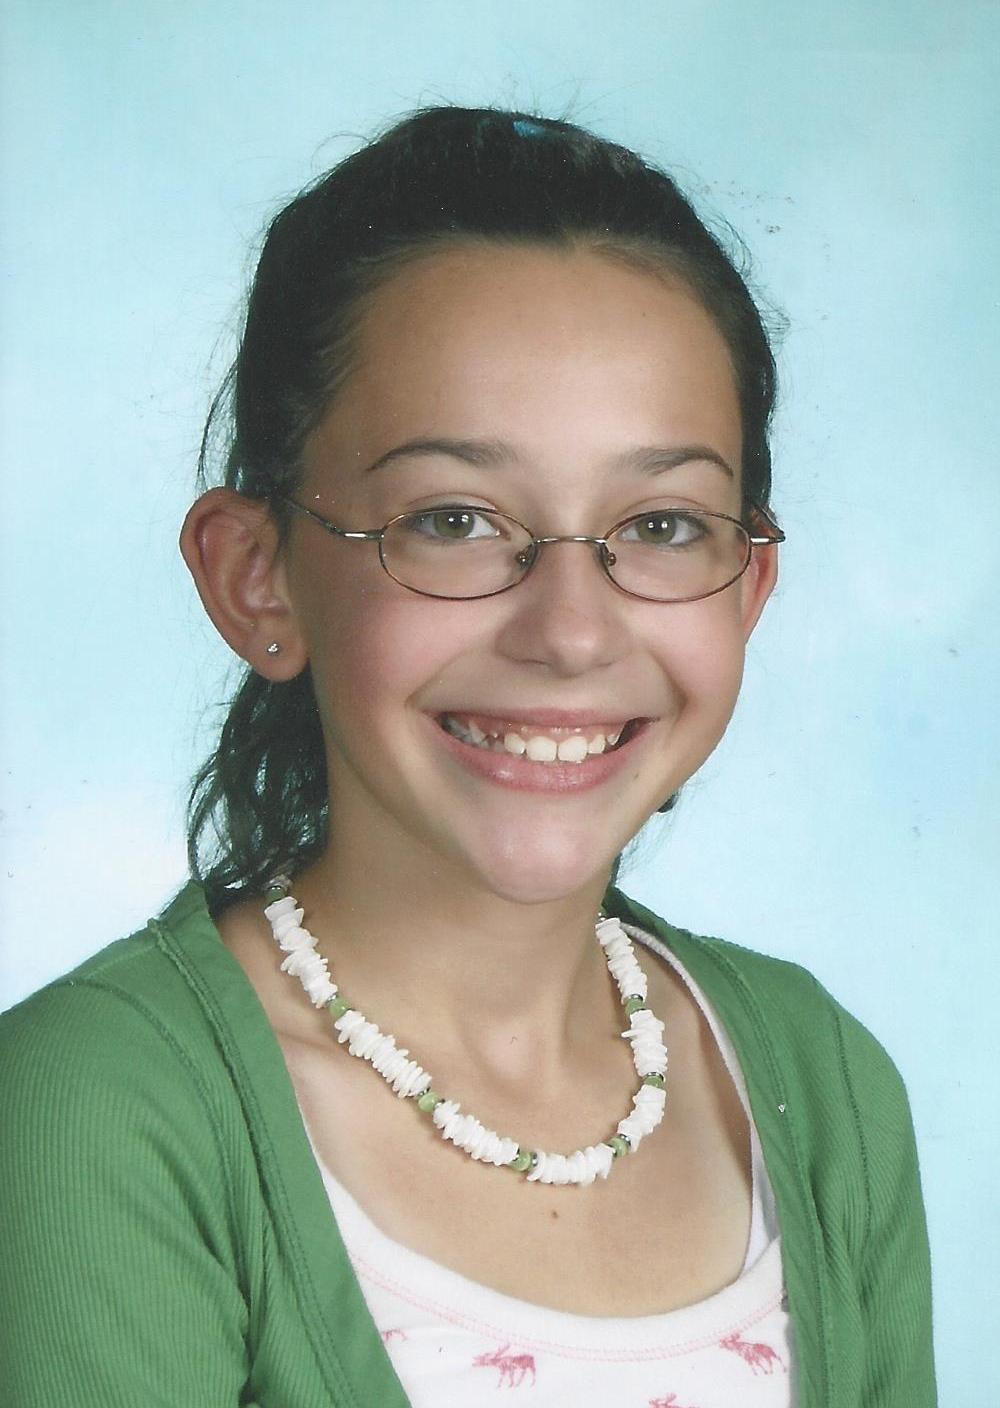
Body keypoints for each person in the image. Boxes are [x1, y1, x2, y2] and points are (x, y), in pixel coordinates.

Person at [0, 106, 935, 1407]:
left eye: (662, 524)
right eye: (454, 520)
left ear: (749, 589)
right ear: (258, 576)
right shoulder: (92, 1115)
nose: (571, 632)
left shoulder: (821, 1083)